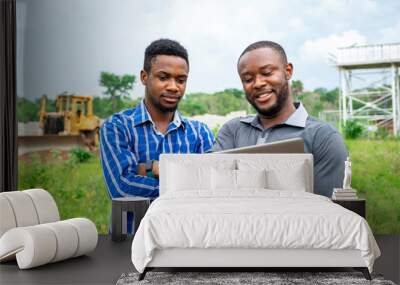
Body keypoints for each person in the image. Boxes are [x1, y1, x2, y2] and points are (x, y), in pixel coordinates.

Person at [100, 39, 215, 233]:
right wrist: (188, 181)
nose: (173, 86)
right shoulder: (117, 127)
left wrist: (152, 172)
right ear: (144, 77)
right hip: (130, 241)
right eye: (163, 77)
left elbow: (214, 188)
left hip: (186, 239)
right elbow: (122, 189)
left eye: (181, 80)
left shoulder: (200, 133)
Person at [213, 41, 348, 197]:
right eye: (248, 79)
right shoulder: (232, 131)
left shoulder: (323, 138)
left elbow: (327, 211)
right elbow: (215, 193)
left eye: (267, 73)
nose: (258, 83)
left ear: (288, 71)